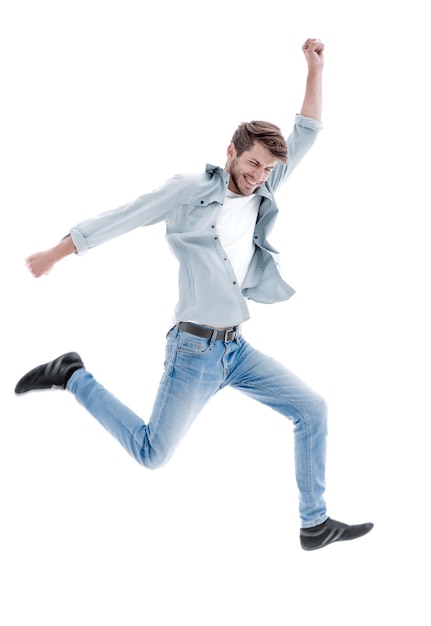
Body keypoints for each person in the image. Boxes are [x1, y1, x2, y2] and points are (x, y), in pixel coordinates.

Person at [15, 38, 373, 551]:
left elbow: (307, 132)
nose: (257, 178)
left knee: (312, 408)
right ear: (231, 152)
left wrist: (315, 70)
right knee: (151, 454)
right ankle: (73, 376)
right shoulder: (189, 189)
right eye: (251, 165)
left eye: (268, 170)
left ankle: (314, 523)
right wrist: (57, 251)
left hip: (237, 349)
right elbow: (126, 215)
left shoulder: (265, 185)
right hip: (194, 350)